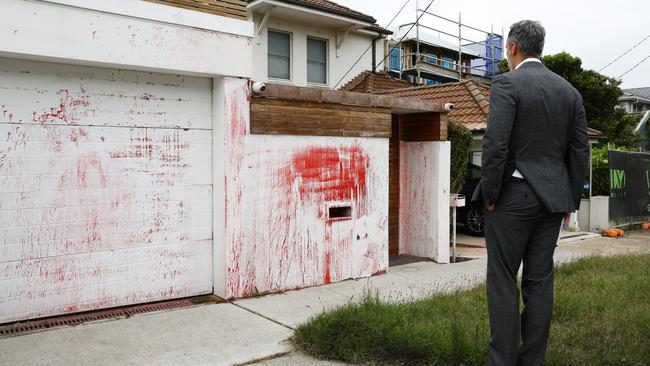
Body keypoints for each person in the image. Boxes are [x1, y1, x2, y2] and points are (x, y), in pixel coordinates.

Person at [471, 20, 589, 366]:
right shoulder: (569, 92)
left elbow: (496, 145)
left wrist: (490, 192)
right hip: (553, 202)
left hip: (512, 199)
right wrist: (568, 200)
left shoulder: (507, 84)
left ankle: (502, 362)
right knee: (539, 281)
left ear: (513, 48)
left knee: (503, 281)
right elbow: (579, 152)